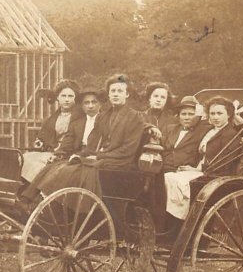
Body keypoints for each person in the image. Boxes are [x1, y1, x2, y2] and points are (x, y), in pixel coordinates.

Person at [19, 73, 147, 204]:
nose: (115, 94)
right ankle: (30, 198)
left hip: (120, 162)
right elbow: (93, 143)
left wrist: (98, 156)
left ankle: (58, 203)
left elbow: (128, 150)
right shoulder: (104, 116)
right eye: (112, 91)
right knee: (59, 165)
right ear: (108, 95)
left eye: (120, 91)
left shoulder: (135, 117)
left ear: (127, 94)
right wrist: (79, 156)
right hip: (102, 158)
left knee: (70, 171)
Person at [163, 96, 243, 220]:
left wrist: (197, 170)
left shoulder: (229, 134)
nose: (215, 117)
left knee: (174, 179)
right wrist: (193, 168)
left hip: (216, 174)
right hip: (202, 170)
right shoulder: (211, 130)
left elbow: (223, 162)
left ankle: (180, 217)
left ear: (229, 115)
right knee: (169, 177)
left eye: (219, 113)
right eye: (212, 113)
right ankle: (173, 218)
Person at [20, 79, 79, 182]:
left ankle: (39, 191)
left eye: (70, 96)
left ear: (75, 98)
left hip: (66, 153)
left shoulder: (79, 117)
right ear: (57, 98)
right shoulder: (54, 117)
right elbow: (45, 135)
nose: (67, 100)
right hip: (52, 151)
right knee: (24, 158)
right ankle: (26, 187)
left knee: (39, 165)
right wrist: (40, 142)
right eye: (63, 96)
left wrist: (59, 153)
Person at [48, 85, 105, 162]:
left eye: (94, 102)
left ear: (100, 104)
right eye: (86, 103)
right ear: (82, 106)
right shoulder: (76, 123)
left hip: (96, 157)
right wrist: (58, 154)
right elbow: (68, 143)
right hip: (76, 157)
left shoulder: (106, 121)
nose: (90, 106)